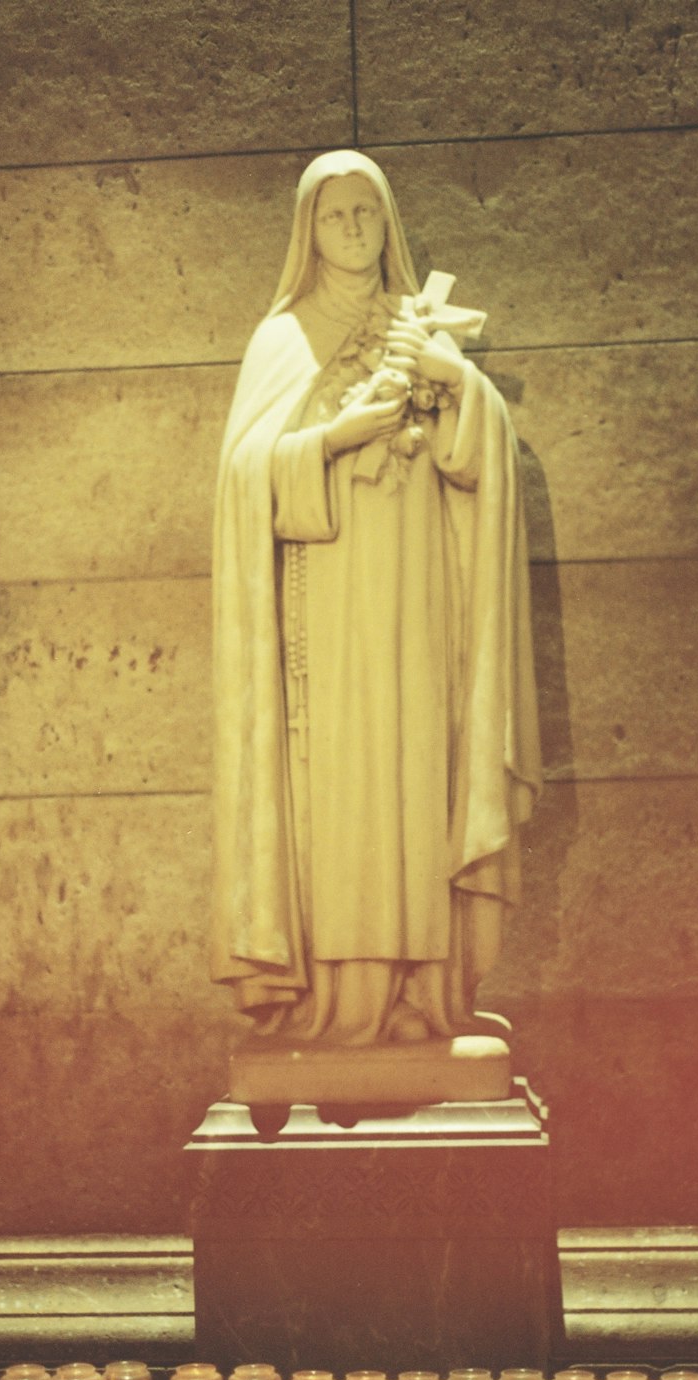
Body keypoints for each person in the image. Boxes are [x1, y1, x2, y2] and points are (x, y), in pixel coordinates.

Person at [211, 150, 541, 1048]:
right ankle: (339, 998)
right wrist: (330, 439)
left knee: (418, 775)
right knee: (344, 793)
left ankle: (426, 998)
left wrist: (456, 384)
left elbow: (478, 460)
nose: (353, 231)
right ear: (307, 232)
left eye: (365, 214)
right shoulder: (283, 339)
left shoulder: (416, 323)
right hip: (327, 606)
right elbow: (244, 483)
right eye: (334, 216)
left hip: (419, 594)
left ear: (387, 221)